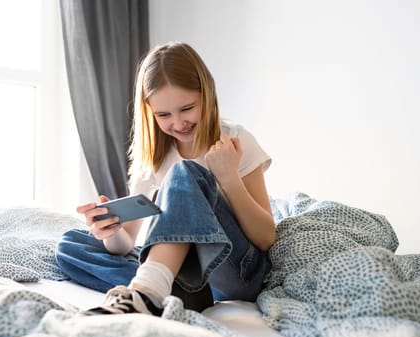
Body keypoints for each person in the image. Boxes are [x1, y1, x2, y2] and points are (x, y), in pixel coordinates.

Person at [56, 41, 276, 316]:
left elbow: (266, 238)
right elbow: (127, 242)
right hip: (191, 274)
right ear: (149, 111)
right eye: (163, 114)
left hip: (237, 270)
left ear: (206, 94)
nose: (178, 123)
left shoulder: (234, 139)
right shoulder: (153, 157)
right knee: (71, 244)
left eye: (187, 109)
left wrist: (228, 178)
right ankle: (176, 291)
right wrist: (111, 232)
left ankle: (147, 293)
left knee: (186, 174)